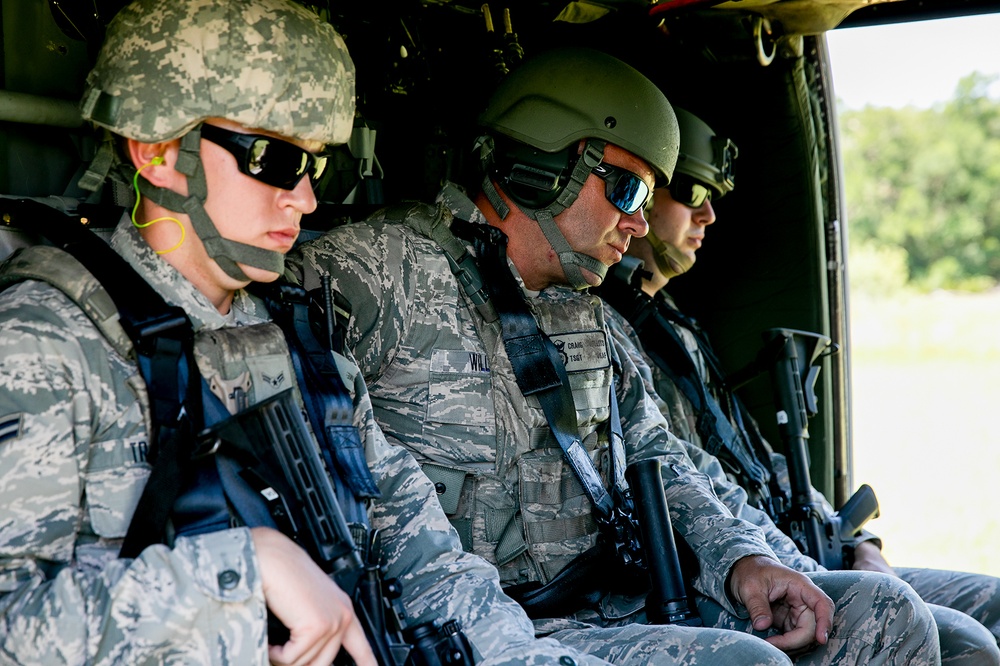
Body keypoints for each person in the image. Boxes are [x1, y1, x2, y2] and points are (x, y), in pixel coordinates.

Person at [0, 2, 612, 664]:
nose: (305, 199)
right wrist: (240, 575)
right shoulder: (45, 341)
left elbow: (425, 555)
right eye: (272, 158)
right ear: (157, 152)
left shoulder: (304, 356)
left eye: (313, 165)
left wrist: (508, 654)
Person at [289, 48, 940, 665]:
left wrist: (742, 560)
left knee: (883, 616)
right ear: (540, 164)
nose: (638, 223)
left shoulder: (587, 311)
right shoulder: (369, 274)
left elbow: (665, 459)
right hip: (474, 629)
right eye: (627, 191)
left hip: (619, 606)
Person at [597, 105, 1000, 665]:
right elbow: (684, 481)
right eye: (690, 193)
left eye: (714, 195)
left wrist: (861, 546)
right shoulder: (606, 333)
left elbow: (755, 458)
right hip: (754, 566)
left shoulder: (677, 327)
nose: (709, 214)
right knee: (962, 643)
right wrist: (796, 566)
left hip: (802, 551)